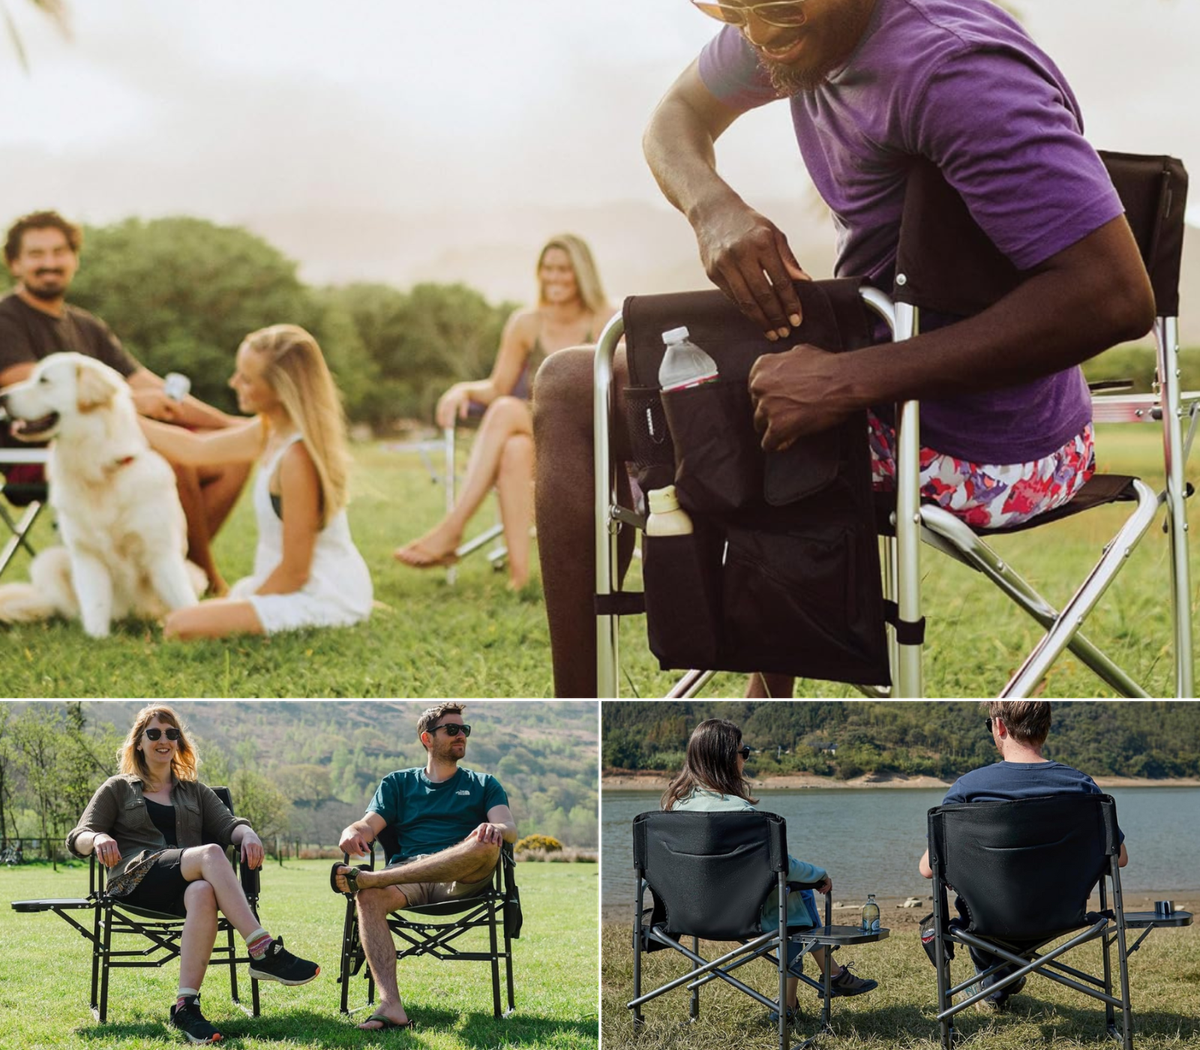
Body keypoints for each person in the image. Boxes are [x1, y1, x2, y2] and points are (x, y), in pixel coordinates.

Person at [531, 0, 1155, 699]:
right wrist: (712, 207)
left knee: (568, 390)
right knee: (761, 365)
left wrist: (852, 380)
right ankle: (760, 697)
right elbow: (674, 118)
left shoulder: (956, 72)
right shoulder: (789, 23)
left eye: (776, 10)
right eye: (732, 10)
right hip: (881, 383)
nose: (757, 34)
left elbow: (1114, 296)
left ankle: (582, 715)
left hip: (993, 447)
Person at [0, 210, 252, 595]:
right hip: (42, 455)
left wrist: (232, 426)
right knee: (171, 458)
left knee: (231, 458)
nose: (49, 263)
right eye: (36, 254)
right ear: (15, 263)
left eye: (58, 252)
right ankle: (205, 582)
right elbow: (28, 388)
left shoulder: (88, 326)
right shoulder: (6, 318)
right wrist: (134, 401)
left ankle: (164, 570)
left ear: (74, 258)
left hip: (111, 448)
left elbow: (157, 389)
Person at [67, 704, 320, 1045]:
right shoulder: (117, 788)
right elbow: (78, 837)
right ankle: (262, 949)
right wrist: (98, 837)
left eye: (171, 734)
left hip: (183, 888)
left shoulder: (195, 792)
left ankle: (185, 1006)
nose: (163, 740)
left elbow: (230, 826)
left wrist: (248, 834)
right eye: (153, 733)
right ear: (139, 742)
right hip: (134, 880)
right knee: (212, 854)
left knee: (202, 890)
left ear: (179, 742)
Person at [394, 234, 614, 590]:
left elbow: (617, 387)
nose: (554, 278)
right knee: (514, 450)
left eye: (564, 270)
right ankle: (520, 578)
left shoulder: (605, 317)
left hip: (590, 434)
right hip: (539, 436)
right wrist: (462, 389)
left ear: (583, 273)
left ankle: (453, 529)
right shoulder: (526, 323)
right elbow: (497, 386)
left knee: (505, 411)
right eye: (547, 269)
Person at [139, 324, 372, 640]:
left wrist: (246, 607)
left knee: (180, 625)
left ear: (281, 388)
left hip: (317, 593)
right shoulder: (269, 430)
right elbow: (196, 450)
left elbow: (295, 572)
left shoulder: (297, 458)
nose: (234, 383)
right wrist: (124, 412)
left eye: (247, 379)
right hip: (285, 584)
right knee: (189, 617)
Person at [917, 700, 1129, 1012]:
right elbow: (1119, 859)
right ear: (1046, 728)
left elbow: (927, 869)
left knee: (983, 904)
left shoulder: (969, 788)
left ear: (999, 727)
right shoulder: (1082, 786)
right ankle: (1002, 980)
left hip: (987, 919)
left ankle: (996, 983)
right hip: (1062, 916)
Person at [663, 718, 879, 1023]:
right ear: (728, 759)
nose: (745, 758)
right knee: (796, 894)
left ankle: (800, 997)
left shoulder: (671, 813)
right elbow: (784, 866)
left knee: (791, 894)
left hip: (685, 915)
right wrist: (820, 874)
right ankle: (820, 982)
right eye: (744, 752)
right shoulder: (744, 816)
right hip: (744, 917)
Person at [330, 703, 516, 1031]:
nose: (462, 735)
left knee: (486, 844)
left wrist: (493, 830)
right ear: (427, 738)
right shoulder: (397, 784)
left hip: (463, 878)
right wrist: (351, 831)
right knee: (368, 897)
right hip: (411, 879)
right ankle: (390, 1006)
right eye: (453, 730)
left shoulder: (484, 784)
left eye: (465, 730)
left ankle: (374, 879)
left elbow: (508, 829)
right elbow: (367, 826)